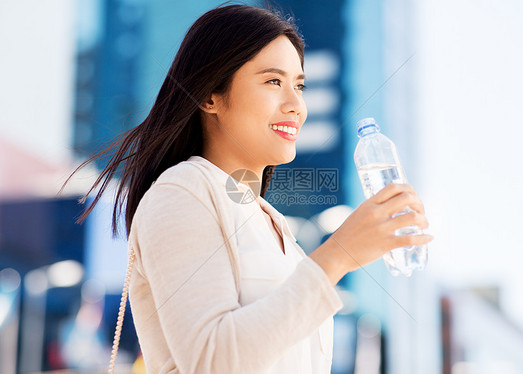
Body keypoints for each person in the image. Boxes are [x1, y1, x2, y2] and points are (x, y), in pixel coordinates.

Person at [64, 3, 433, 373]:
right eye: (274, 81)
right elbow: (212, 359)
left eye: (299, 86)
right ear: (210, 95)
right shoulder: (181, 191)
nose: (296, 106)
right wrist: (338, 255)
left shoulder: (272, 223)